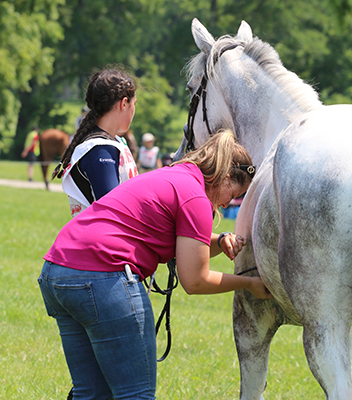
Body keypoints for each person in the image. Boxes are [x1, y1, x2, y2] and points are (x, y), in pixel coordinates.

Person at [38, 129, 272, 400]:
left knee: (91, 393)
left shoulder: (172, 176)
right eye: (232, 194)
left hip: (57, 271)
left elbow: (179, 240)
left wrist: (219, 242)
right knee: (135, 394)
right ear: (226, 176)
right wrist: (250, 284)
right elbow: (195, 280)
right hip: (103, 277)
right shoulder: (196, 197)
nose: (226, 203)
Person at [52, 67, 139, 218]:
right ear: (124, 103)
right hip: (98, 241)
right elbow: (113, 214)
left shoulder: (111, 143)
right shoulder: (101, 149)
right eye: (134, 104)